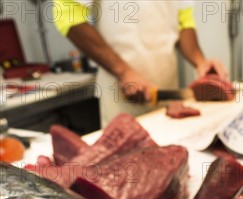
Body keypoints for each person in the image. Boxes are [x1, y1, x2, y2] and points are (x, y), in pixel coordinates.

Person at [53, 0, 229, 125]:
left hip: (168, 101)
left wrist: (200, 61)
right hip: (122, 100)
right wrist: (123, 72)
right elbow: (67, 14)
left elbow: (183, 22)